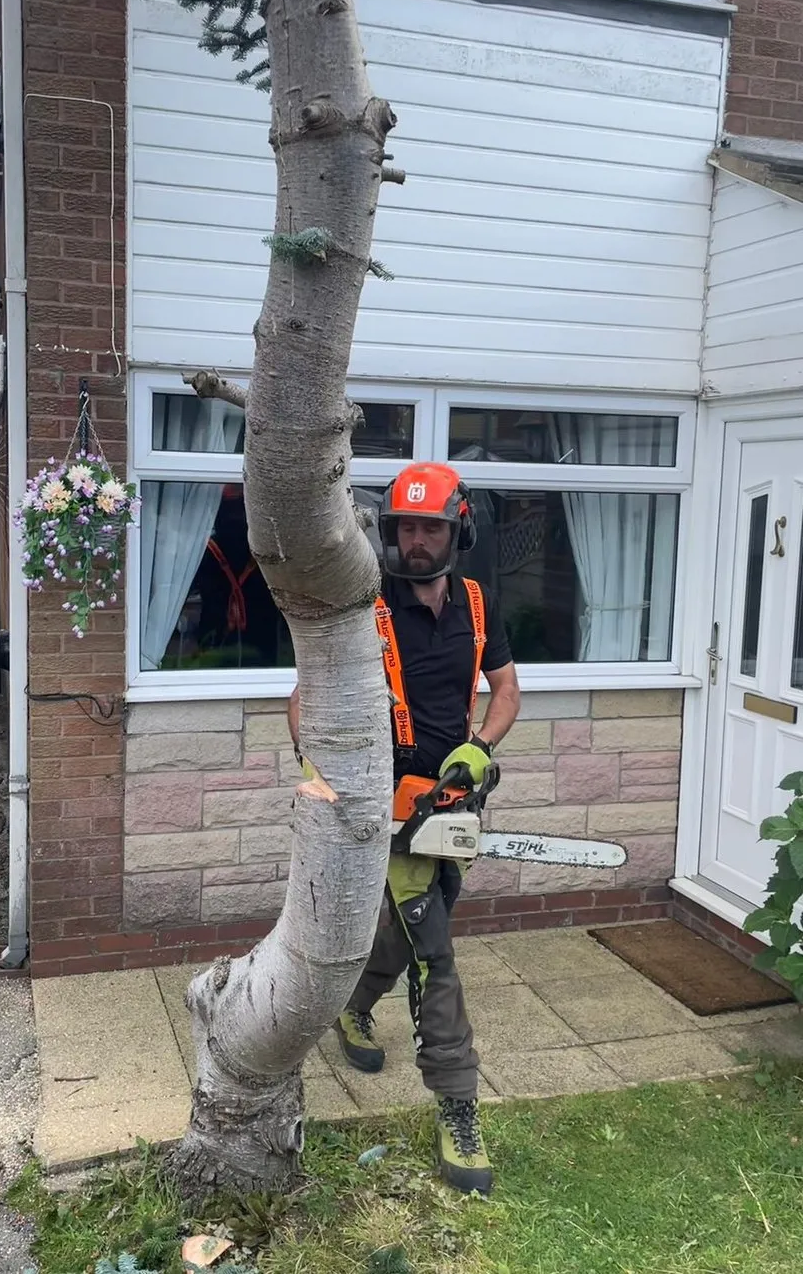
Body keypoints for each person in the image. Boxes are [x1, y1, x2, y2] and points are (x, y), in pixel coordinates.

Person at [288, 461, 520, 1196]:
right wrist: (325, 771)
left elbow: (506, 687)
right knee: (437, 959)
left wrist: (479, 745)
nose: (415, 542)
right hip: (384, 811)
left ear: (459, 531)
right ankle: (458, 1111)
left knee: (403, 928)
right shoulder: (363, 606)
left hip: (451, 808)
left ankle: (355, 1006)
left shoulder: (479, 605)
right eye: (405, 528)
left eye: (431, 528)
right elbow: (303, 697)